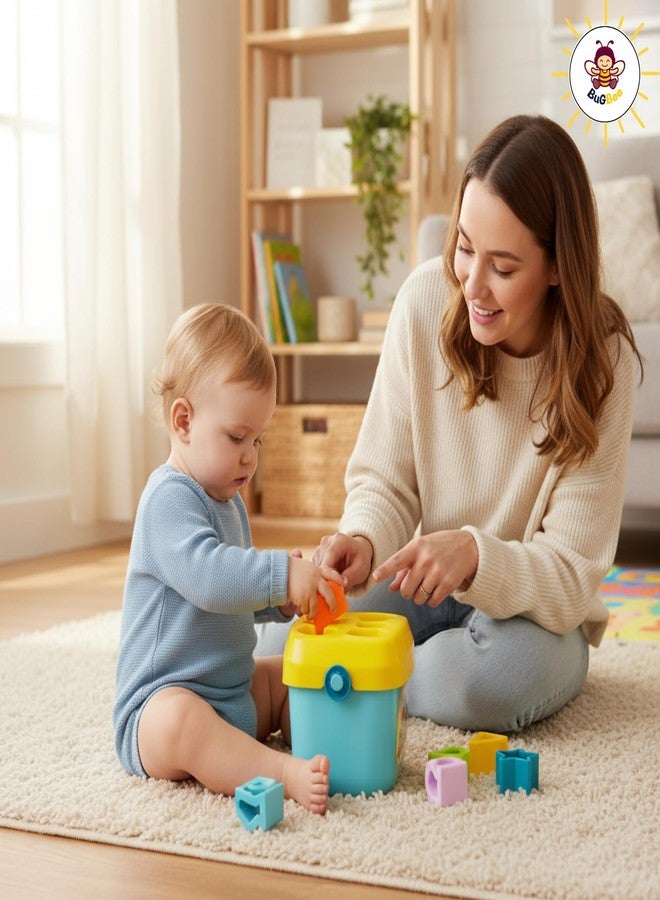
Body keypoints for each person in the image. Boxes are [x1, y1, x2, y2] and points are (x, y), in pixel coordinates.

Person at [257, 114, 642, 734]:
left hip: (535, 615)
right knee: (281, 640)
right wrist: (361, 540)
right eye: (464, 248)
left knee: (484, 687)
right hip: (427, 585)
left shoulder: (605, 359)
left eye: (504, 267)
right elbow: (385, 480)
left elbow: (570, 573)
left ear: (557, 267)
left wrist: (475, 557)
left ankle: (364, 675)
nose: (472, 286)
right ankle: (378, 672)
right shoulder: (422, 304)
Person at [113, 303, 340, 814]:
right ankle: (279, 770)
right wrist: (281, 575)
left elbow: (231, 599)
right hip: (161, 710)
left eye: (257, 439)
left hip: (232, 690)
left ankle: (335, 744)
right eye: (237, 437)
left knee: (291, 672)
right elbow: (212, 579)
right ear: (184, 420)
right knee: (183, 723)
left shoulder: (228, 500)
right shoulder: (168, 499)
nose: (250, 456)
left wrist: (279, 605)